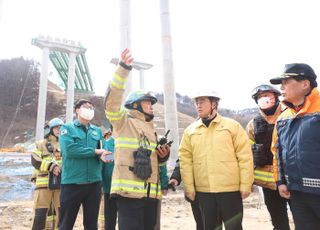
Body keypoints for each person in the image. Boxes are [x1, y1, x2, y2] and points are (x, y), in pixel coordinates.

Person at [104, 48, 170, 230]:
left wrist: (162, 158)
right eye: (147, 102)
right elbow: (111, 103)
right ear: (135, 105)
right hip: (129, 196)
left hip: (151, 195)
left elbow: (152, 161)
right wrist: (123, 69)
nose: (151, 106)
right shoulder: (123, 122)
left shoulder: (151, 130)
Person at [179, 90, 254, 230]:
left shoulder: (232, 126)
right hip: (204, 191)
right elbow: (185, 161)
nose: (198, 106)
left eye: (202, 102)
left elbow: (245, 157)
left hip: (230, 190)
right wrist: (189, 187)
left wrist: (246, 184)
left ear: (214, 103)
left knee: (234, 227)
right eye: (196, 102)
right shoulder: (190, 131)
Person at [270, 63, 320, 230]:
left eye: (286, 81)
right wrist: (280, 181)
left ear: (305, 84)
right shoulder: (283, 118)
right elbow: (277, 152)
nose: (281, 87)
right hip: (297, 193)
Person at [59, 99, 109, 230]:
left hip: (94, 184)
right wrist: (95, 151)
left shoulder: (97, 131)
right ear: (77, 110)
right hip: (72, 183)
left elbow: (103, 149)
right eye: (86, 107)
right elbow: (69, 150)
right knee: (66, 224)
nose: (89, 109)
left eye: (91, 108)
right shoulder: (67, 128)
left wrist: (106, 155)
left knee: (92, 225)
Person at [246, 84, 291, 230]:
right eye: (260, 97)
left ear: (276, 97)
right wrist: (248, 180)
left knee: (304, 219)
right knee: (279, 223)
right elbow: (247, 154)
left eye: (268, 96)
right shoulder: (253, 125)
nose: (265, 99)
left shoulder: (291, 115)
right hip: (269, 183)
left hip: (293, 179)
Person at [31, 117, 64, 230]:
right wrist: (51, 166)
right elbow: (35, 160)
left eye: (61, 127)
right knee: (41, 213)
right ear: (50, 129)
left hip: (61, 185)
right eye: (56, 127)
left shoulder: (66, 144)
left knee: (62, 214)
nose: (59, 130)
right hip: (43, 186)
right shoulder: (41, 144)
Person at [169, 159, 204, 230]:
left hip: (222, 189)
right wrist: (176, 177)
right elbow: (183, 159)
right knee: (201, 224)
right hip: (197, 191)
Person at [101, 126, 118, 230]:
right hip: (109, 188)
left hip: (126, 189)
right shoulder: (107, 143)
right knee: (110, 220)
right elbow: (104, 158)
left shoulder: (127, 142)